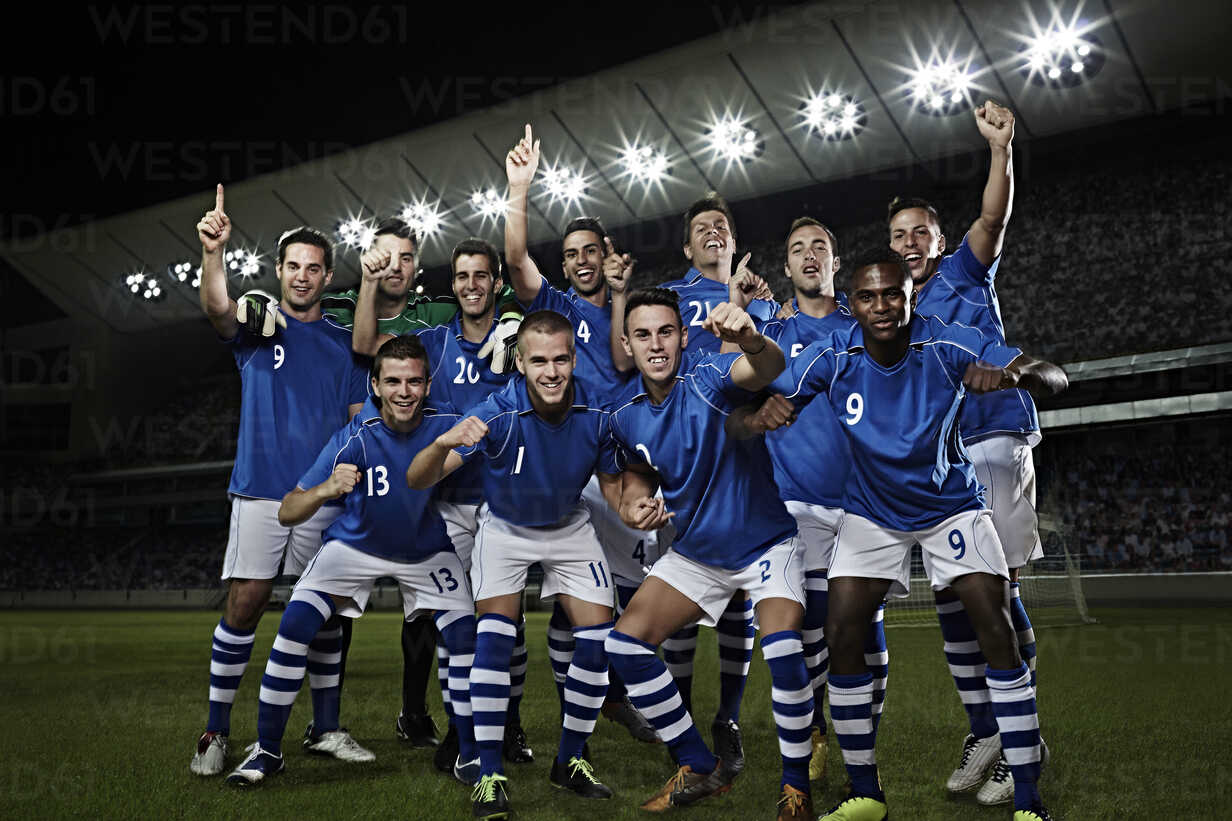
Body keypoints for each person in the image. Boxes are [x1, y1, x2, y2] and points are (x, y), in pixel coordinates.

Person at [777, 248, 1065, 821]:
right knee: (841, 630)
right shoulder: (834, 353)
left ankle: (1029, 798)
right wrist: (757, 414)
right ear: (851, 303)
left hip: (950, 506)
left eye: (892, 294)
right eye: (868, 296)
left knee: (995, 621)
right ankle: (865, 794)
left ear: (911, 296)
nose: (881, 306)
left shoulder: (949, 341)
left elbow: (1055, 376)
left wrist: (1011, 374)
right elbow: (771, 396)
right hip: (872, 512)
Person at [225, 336, 479, 786]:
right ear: (376, 386)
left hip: (425, 549)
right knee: (294, 626)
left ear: (427, 384)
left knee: (464, 639)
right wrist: (325, 489)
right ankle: (267, 751)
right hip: (355, 545)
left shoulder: (447, 425)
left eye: (414, 382)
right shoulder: (354, 437)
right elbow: (287, 510)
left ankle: (470, 755)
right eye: (394, 381)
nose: (405, 392)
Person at [604, 289, 815, 821]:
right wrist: (632, 509)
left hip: (766, 541)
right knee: (625, 647)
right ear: (626, 344)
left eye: (666, 332)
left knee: (785, 650)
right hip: (698, 552)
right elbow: (635, 478)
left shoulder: (705, 376)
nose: (657, 344)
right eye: (644, 334)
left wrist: (748, 337)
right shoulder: (625, 416)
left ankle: (796, 793)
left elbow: (765, 366)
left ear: (682, 336)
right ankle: (700, 764)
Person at [888, 100, 1047, 804]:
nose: (909, 241)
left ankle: (1024, 740)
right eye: (897, 234)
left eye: (920, 231)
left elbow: (993, 218)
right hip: (944, 467)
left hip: (996, 438)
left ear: (939, 238)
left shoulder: (962, 271)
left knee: (1000, 589)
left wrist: (1000, 151)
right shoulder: (895, 313)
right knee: (955, 592)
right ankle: (986, 727)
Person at [407, 310, 624, 819]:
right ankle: (488, 773)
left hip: (568, 525)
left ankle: (569, 762)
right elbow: (418, 479)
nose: (551, 372)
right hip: (504, 530)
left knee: (596, 642)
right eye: (539, 361)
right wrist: (441, 442)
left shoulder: (596, 412)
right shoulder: (498, 414)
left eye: (561, 359)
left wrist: (635, 506)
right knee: (496, 642)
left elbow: (614, 485)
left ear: (573, 359)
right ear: (520, 362)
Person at [188, 184, 369, 777]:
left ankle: (327, 727)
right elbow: (216, 308)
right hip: (261, 489)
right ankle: (215, 731)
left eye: (313, 269)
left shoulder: (345, 346)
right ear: (278, 270)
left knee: (323, 611)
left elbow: (353, 422)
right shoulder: (256, 327)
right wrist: (213, 253)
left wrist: (358, 484)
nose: (302, 277)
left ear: (327, 276)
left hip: (322, 496)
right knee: (246, 601)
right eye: (293, 266)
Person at [503, 123, 658, 745]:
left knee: (636, 591)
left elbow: (626, 361)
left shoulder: (632, 303)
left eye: (588, 251)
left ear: (606, 251)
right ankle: (592, 711)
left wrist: (620, 297)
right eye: (569, 255)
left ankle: (614, 698)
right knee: (588, 591)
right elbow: (516, 258)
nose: (579, 262)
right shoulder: (560, 308)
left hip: (633, 456)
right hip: (581, 461)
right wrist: (519, 190)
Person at [728, 217, 888, 786]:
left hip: (868, 504)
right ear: (788, 267)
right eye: (797, 249)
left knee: (866, 631)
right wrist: (733, 296)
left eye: (820, 245)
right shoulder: (771, 329)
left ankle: (861, 734)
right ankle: (821, 734)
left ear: (835, 262)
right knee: (817, 626)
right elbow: (729, 379)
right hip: (798, 505)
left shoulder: (864, 325)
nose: (809, 255)